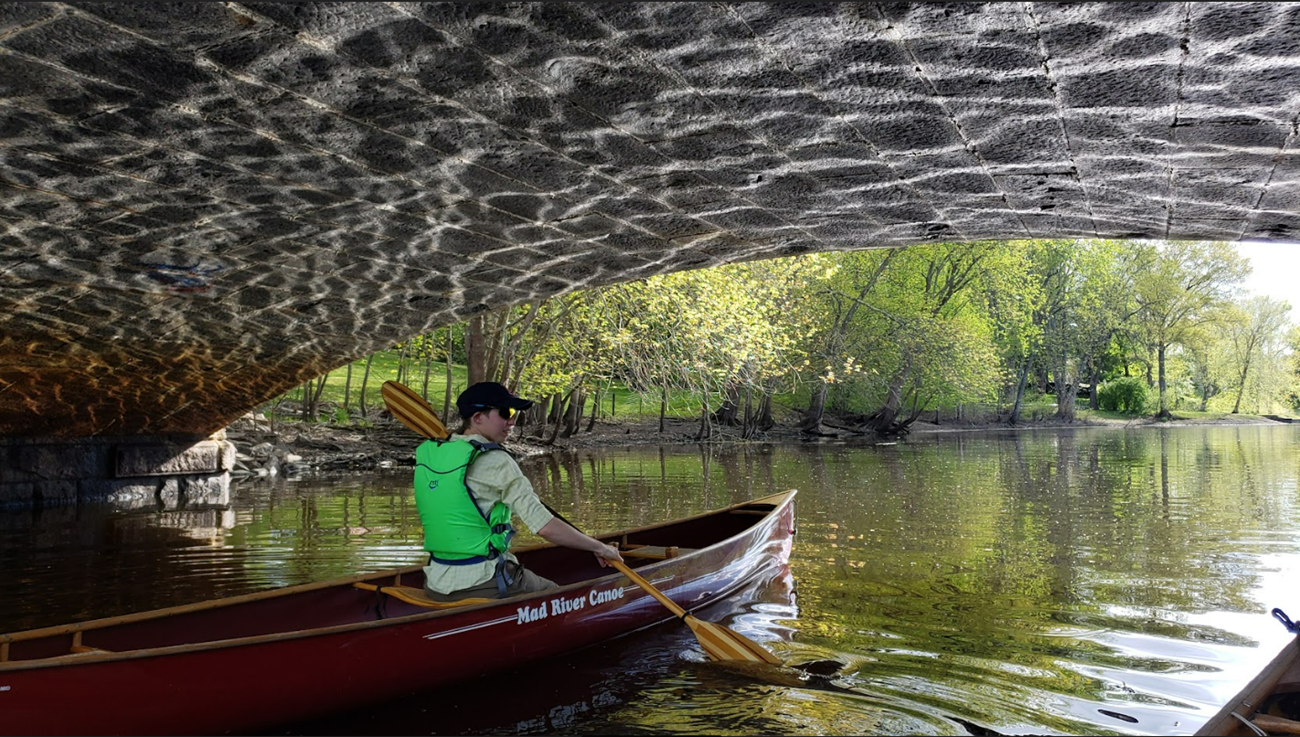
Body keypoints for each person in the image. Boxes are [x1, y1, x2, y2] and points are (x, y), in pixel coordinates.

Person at [415, 381, 622, 601]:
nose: (512, 421)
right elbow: (545, 528)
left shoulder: (430, 453)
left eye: (514, 413)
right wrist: (600, 548)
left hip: (435, 582)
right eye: (505, 413)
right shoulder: (495, 460)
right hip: (483, 582)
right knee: (561, 597)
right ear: (477, 418)